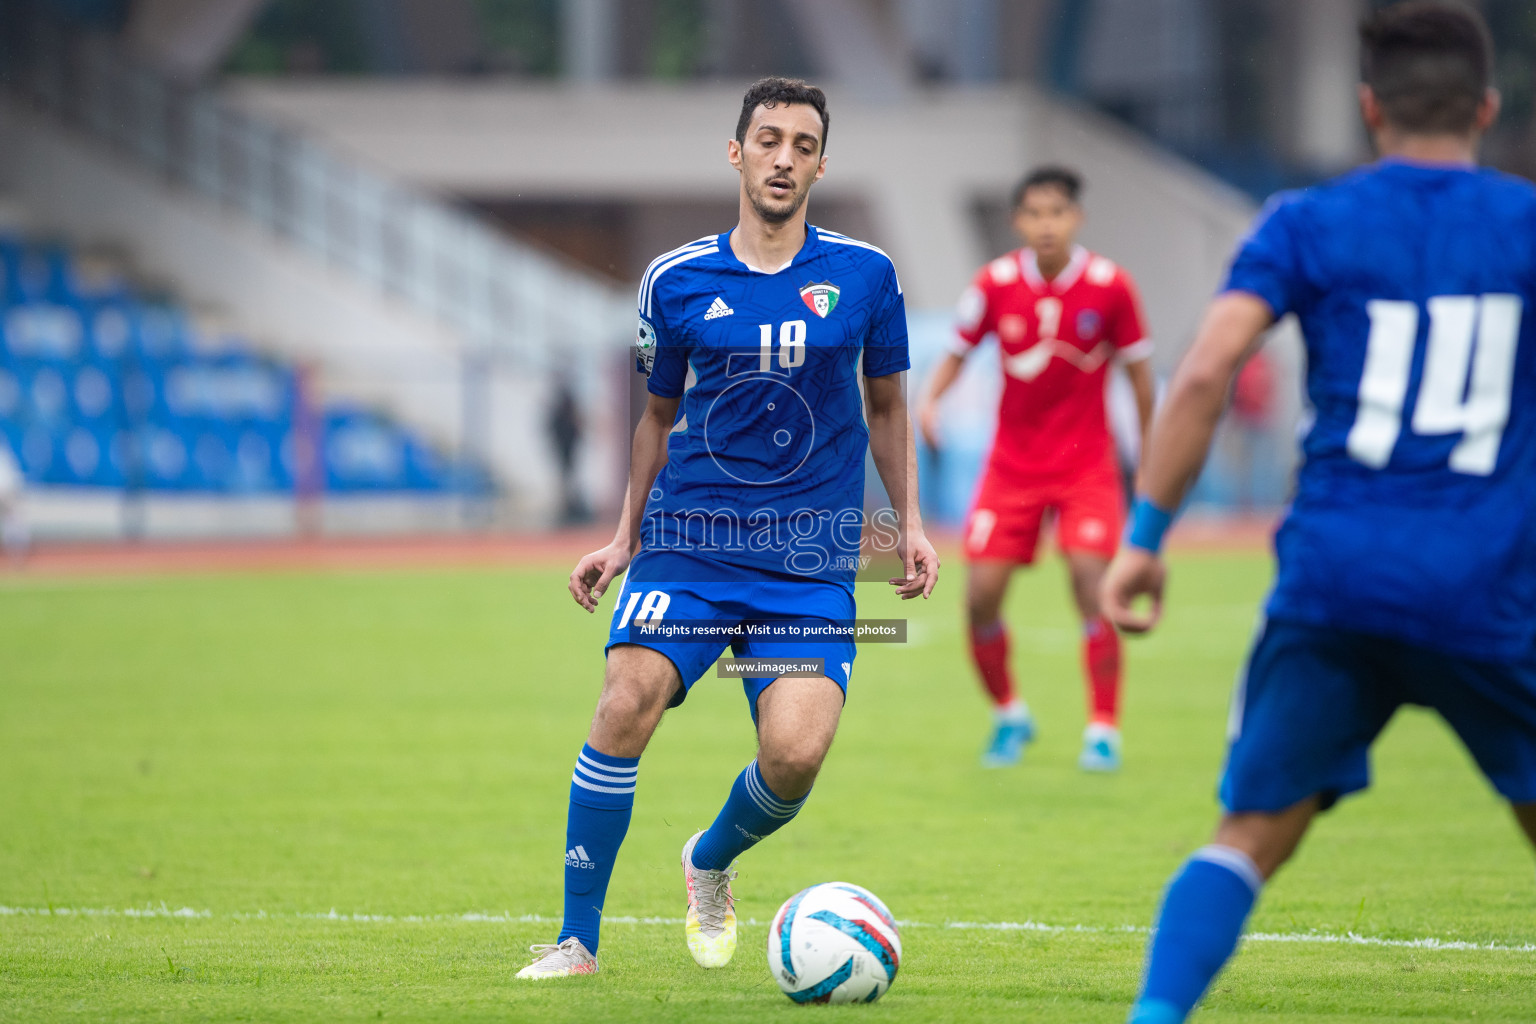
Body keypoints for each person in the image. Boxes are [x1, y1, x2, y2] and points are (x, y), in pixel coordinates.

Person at [1103, 6, 1536, 1021]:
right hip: (1489, 586)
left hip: (1333, 582)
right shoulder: (1524, 227)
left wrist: (1144, 541)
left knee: (1248, 834)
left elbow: (1207, 369)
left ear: (1369, 106)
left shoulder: (1306, 221)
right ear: (1485, 105)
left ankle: (1154, 1016)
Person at [516, 76, 938, 980]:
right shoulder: (673, 280)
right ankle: (576, 941)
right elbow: (655, 419)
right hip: (690, 545)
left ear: (823, 163)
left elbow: (892, 406)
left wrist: (908, 524)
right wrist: (623, 537)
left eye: (803, 143)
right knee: (624, 701)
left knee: (794, 755)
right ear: (736, 150)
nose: (784, 157)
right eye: (769, 138)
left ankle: (709, 859)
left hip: (811, 561)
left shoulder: (867, 276)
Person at [918, 167, 1154, 771]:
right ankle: (1009, 715)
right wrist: (931, 400)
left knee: (1090, 584)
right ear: (1018, 221)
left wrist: (1153, 449)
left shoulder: (1110, 287)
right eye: (1034, 213)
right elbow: (958, 350)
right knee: (980, 597)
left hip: (1086, 466)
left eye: (1058, 212)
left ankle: (1103, 730)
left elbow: (1138, 376)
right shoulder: (995, 284)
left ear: (1076, 217)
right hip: (1012, 467)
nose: (1046, 224)